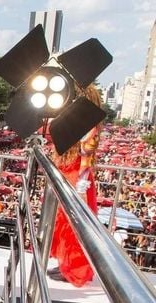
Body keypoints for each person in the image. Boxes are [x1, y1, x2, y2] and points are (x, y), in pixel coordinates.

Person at [48, 84, 102, 287]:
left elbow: (87, 158)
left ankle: (75, 270)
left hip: (77, 178)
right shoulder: (75, 122)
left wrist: (81, 185)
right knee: (62, 224)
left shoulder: (90, 126)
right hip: (67, 174)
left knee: (74, 227)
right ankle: (65, 265)